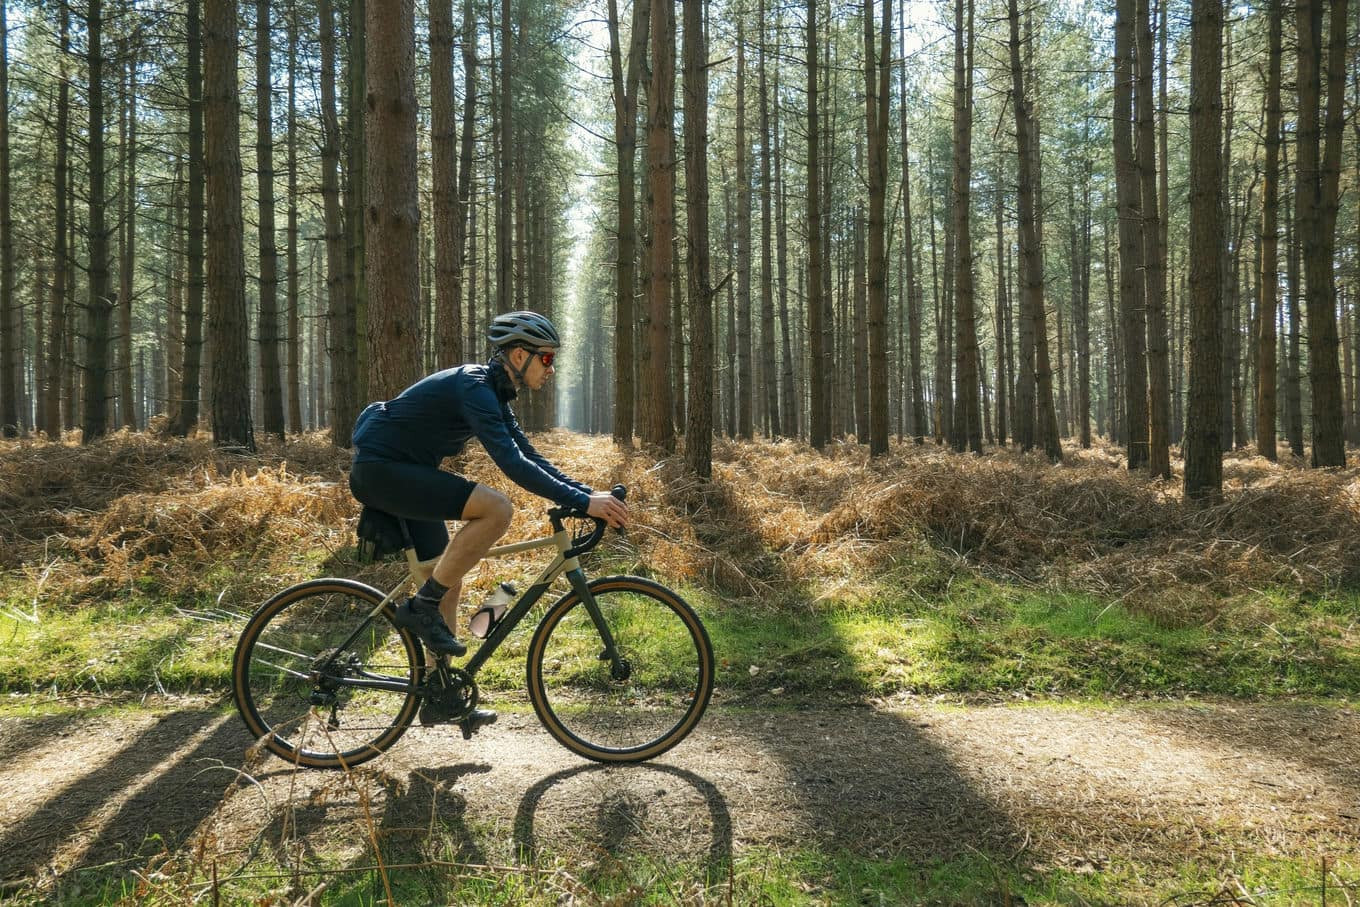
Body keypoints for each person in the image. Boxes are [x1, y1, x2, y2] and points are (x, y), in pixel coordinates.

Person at [348, 311, 628, 728]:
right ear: (520, 354)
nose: (551, 369)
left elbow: (531, 455)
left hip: (401, 472)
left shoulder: (493, 393)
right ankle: (421, 607)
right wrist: (582, 502)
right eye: (547, 359)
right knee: (497, 508)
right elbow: (512, 465)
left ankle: (439, 694)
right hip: (382, 471)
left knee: (446, 579)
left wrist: (585, 495)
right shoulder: (474, 386)